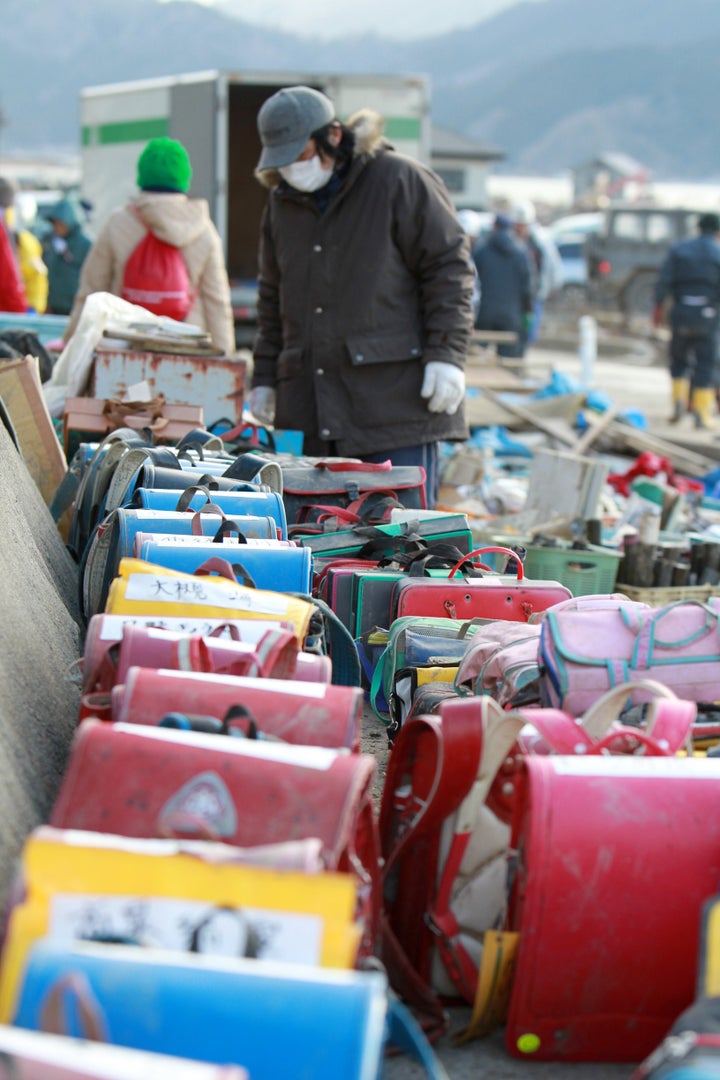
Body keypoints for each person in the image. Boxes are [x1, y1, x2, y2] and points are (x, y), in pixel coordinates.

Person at [248, 86, 474, 508]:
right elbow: (272, 297)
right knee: (320, 545)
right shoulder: (282, 205)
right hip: (312, 410)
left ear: (332, 135)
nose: (292, 170)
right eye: (283, 161)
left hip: (393, 407)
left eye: (299, 156)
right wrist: (264, 377)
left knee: (401, 543)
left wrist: (447, 353)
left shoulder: (398, 180)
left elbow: (449, 269)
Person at [64, 137, 234, 354]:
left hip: (125, 346)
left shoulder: (119, 222)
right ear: (184, 176)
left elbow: (91, 289)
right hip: (187, 348)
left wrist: (70, 342)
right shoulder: (204, 230)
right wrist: (225, 354)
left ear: (142, 175)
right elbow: (217, 301)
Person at [653, 211, 720, 429]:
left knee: (678, 360)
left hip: (681, 312)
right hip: (707, 315)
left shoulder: (679, 250)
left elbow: (663, 282)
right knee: (705, 364)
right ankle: (702, 413)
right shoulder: (717, 253)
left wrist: (658, 307)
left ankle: (678, 403)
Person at [472, 213, 533, 360]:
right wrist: (527, 310)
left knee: (477, 358)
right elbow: (527, 287)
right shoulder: (520, 253)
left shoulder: (481, 251)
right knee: (508, 363)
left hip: (484, 313)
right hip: (511, 315)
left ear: (495, 227)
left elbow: (472, 282)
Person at [512, 200, 563, 344]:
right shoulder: (511, 241)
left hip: (535, 295)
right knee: (513, 333)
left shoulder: (540, 243)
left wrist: (550, 288)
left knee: (528, 333)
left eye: (523, 225)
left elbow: (553, 267)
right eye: (518, 226)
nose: (521, 229)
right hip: (514, 296)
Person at [0, 179, 48, 314]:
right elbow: (8, 282)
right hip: (8, 312)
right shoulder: (10, 235)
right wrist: (22, 311)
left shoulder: (23, 240)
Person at [42, 197, 92, 316]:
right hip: (54, 306)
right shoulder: (54, 243)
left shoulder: (86, 244)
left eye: (59, 223)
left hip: (75, 307)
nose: (56, 227)